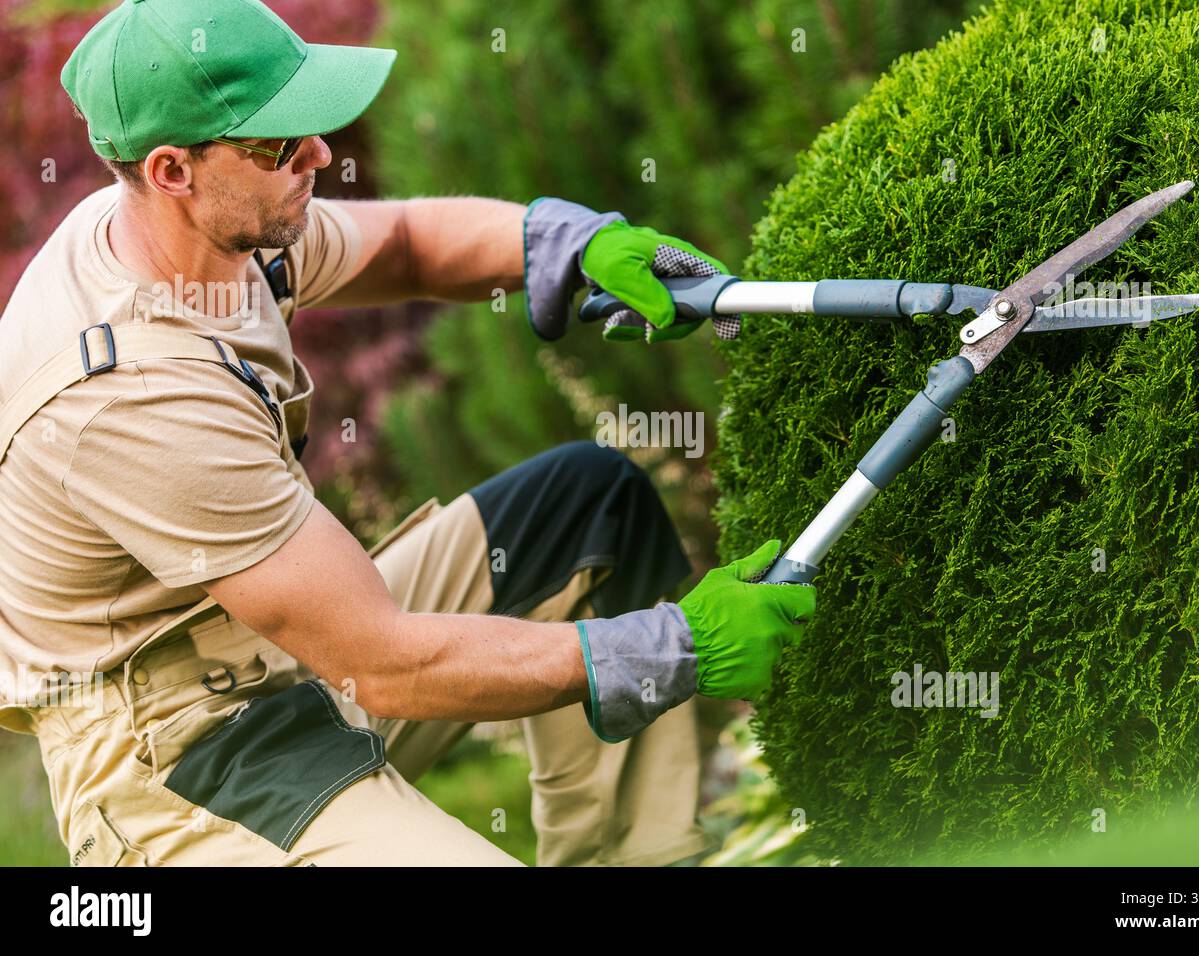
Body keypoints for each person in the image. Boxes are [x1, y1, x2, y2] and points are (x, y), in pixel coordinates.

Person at [0, 0, 814, 866]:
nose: (319, 151)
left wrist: (569, 244)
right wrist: (668, 648)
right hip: (189, 756)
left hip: (292, 639)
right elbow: (384, 664)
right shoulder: (130, 398)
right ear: (171, 170)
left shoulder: (211, 233)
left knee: (588, 507)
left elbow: (407, 244)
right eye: (280, 142)